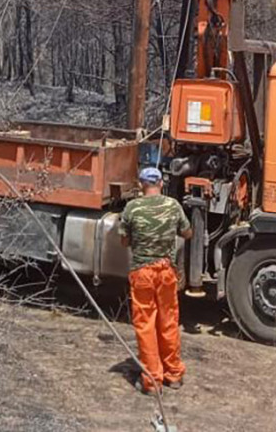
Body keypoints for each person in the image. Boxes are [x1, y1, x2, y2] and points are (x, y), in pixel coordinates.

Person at [119, 166, 192, 394]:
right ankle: (174, 375)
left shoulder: (132, 208)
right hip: (166, 272)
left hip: (142, 273)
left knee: (146, 325)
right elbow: (187, 233)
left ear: (141, 185)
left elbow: (124, 242)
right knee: (168, 321)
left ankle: (152, 381)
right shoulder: (173, 205)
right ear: (161, 183)